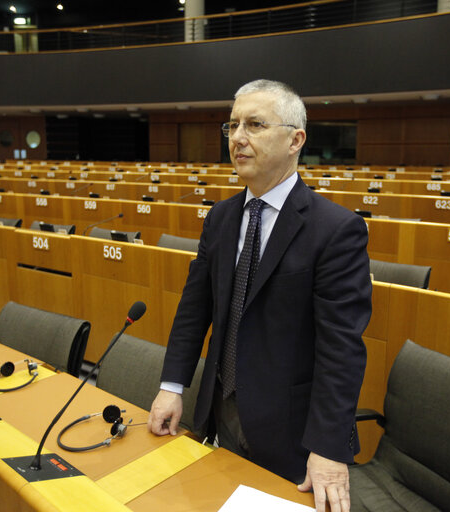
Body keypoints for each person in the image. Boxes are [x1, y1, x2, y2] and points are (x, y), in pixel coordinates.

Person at [148, 79, 372, 512]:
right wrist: (172, 385)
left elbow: (341, 350)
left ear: (296, 140)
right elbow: (194, 310)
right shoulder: (221, 217)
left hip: (291, 431)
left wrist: (328, 447)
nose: (237, 138)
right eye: (232, 126)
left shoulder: (336, 230)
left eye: (254, 124)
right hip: (220, 412)